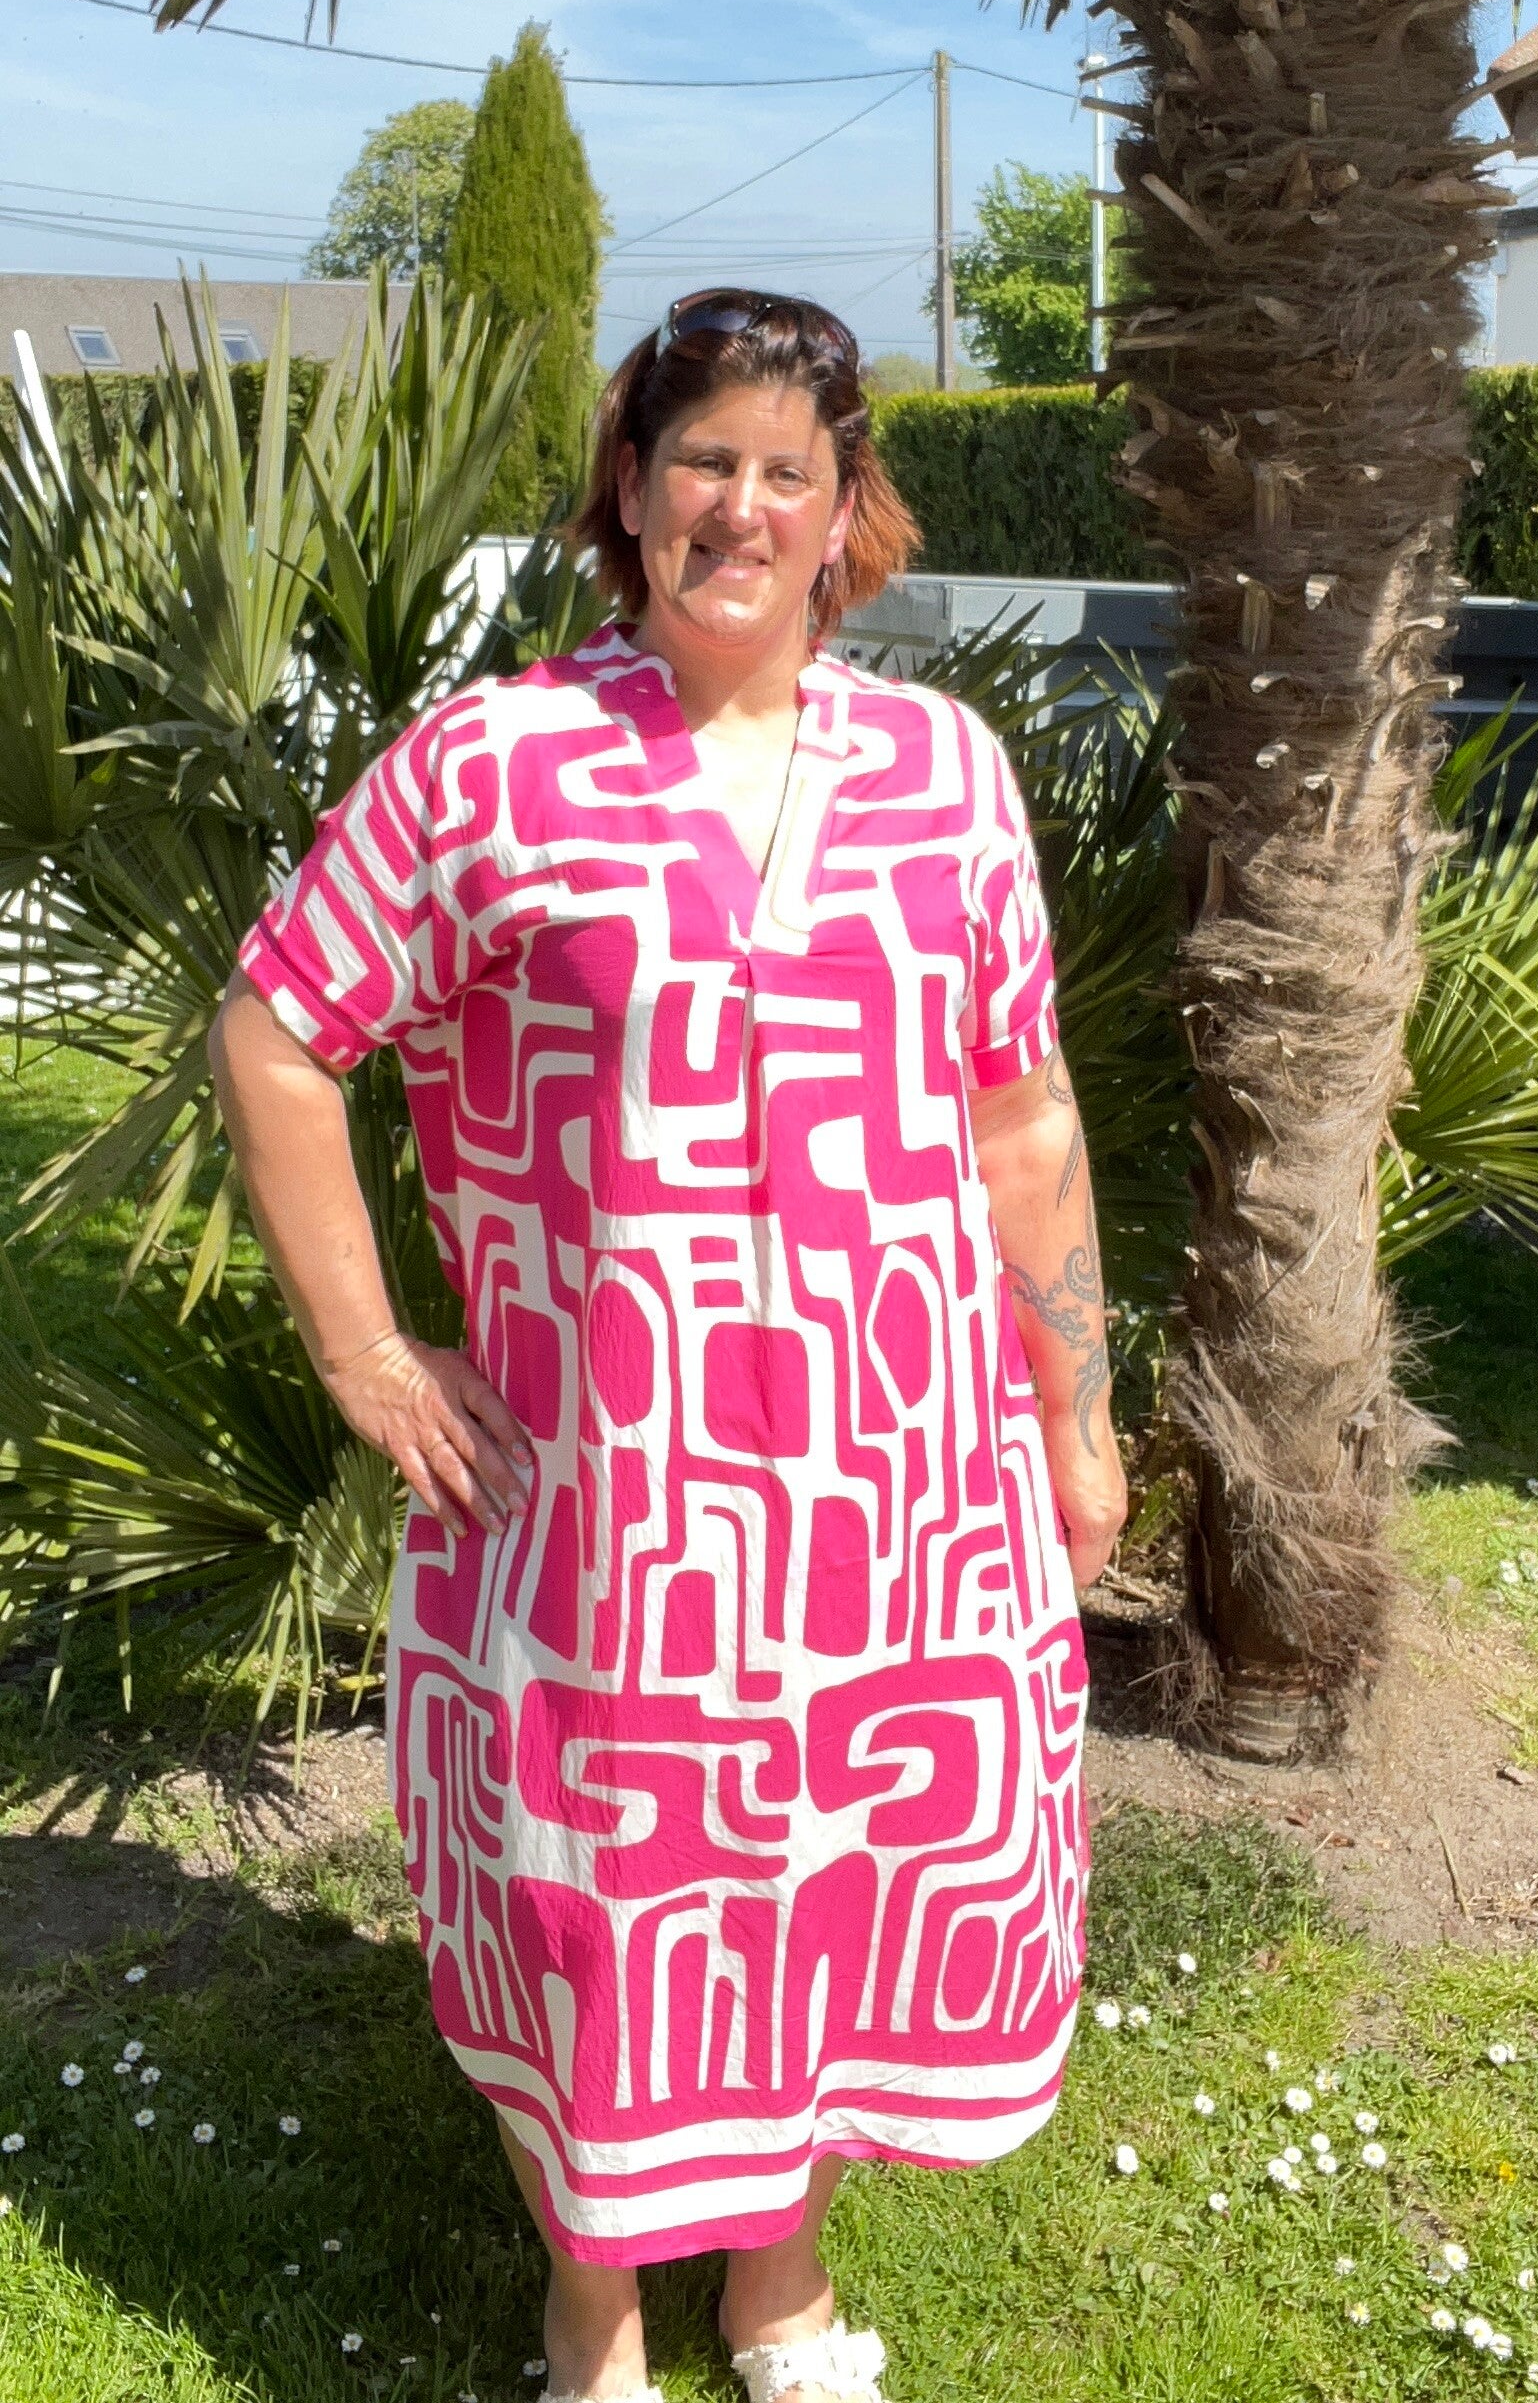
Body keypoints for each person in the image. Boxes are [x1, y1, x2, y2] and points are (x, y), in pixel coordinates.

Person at [210, 288, 1127, 2403]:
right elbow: (278, 1029)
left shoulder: (943, 774)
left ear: (840, 508)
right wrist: (365, 1354)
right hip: (608, 1493)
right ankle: (594, 2308)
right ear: (630, 487)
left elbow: (1021, 1114)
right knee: (598, 1889)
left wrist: (1073, 1410)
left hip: (894, 1488)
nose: (741, 506)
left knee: (826, 1878)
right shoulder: (495, 765)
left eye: (788, 469)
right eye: (703, 457)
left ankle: (775, 2282)